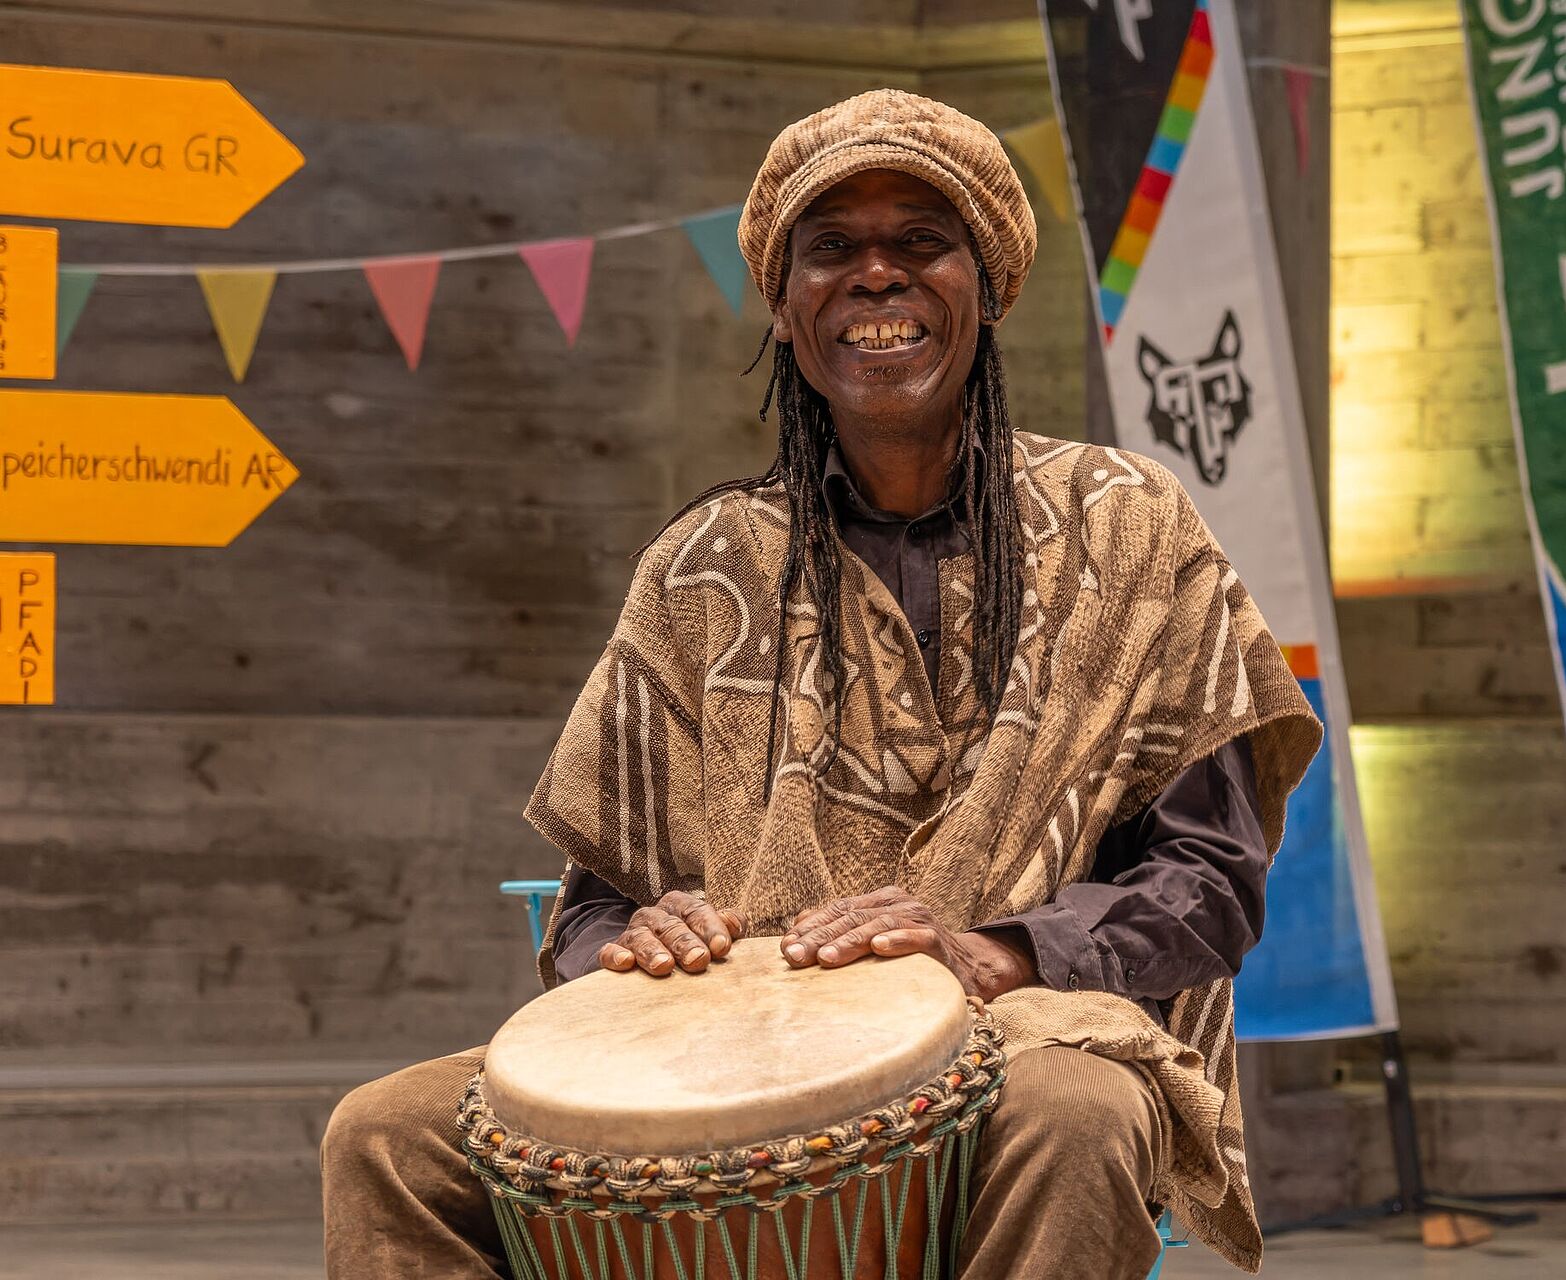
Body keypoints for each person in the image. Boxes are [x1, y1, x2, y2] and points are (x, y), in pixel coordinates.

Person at [321, 88, 1321, 1279]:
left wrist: (997, 951)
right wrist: (638, 937)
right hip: (727, 1042)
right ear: (786, 308)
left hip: (1028, 1032)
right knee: (382, 1133)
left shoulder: (1131, 524)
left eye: (922, 240)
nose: (877, 274)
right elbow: (590, 909)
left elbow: (1210, 880)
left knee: (1077, 1114)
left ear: (990, 288)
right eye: (834, 246)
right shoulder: (702, 565)